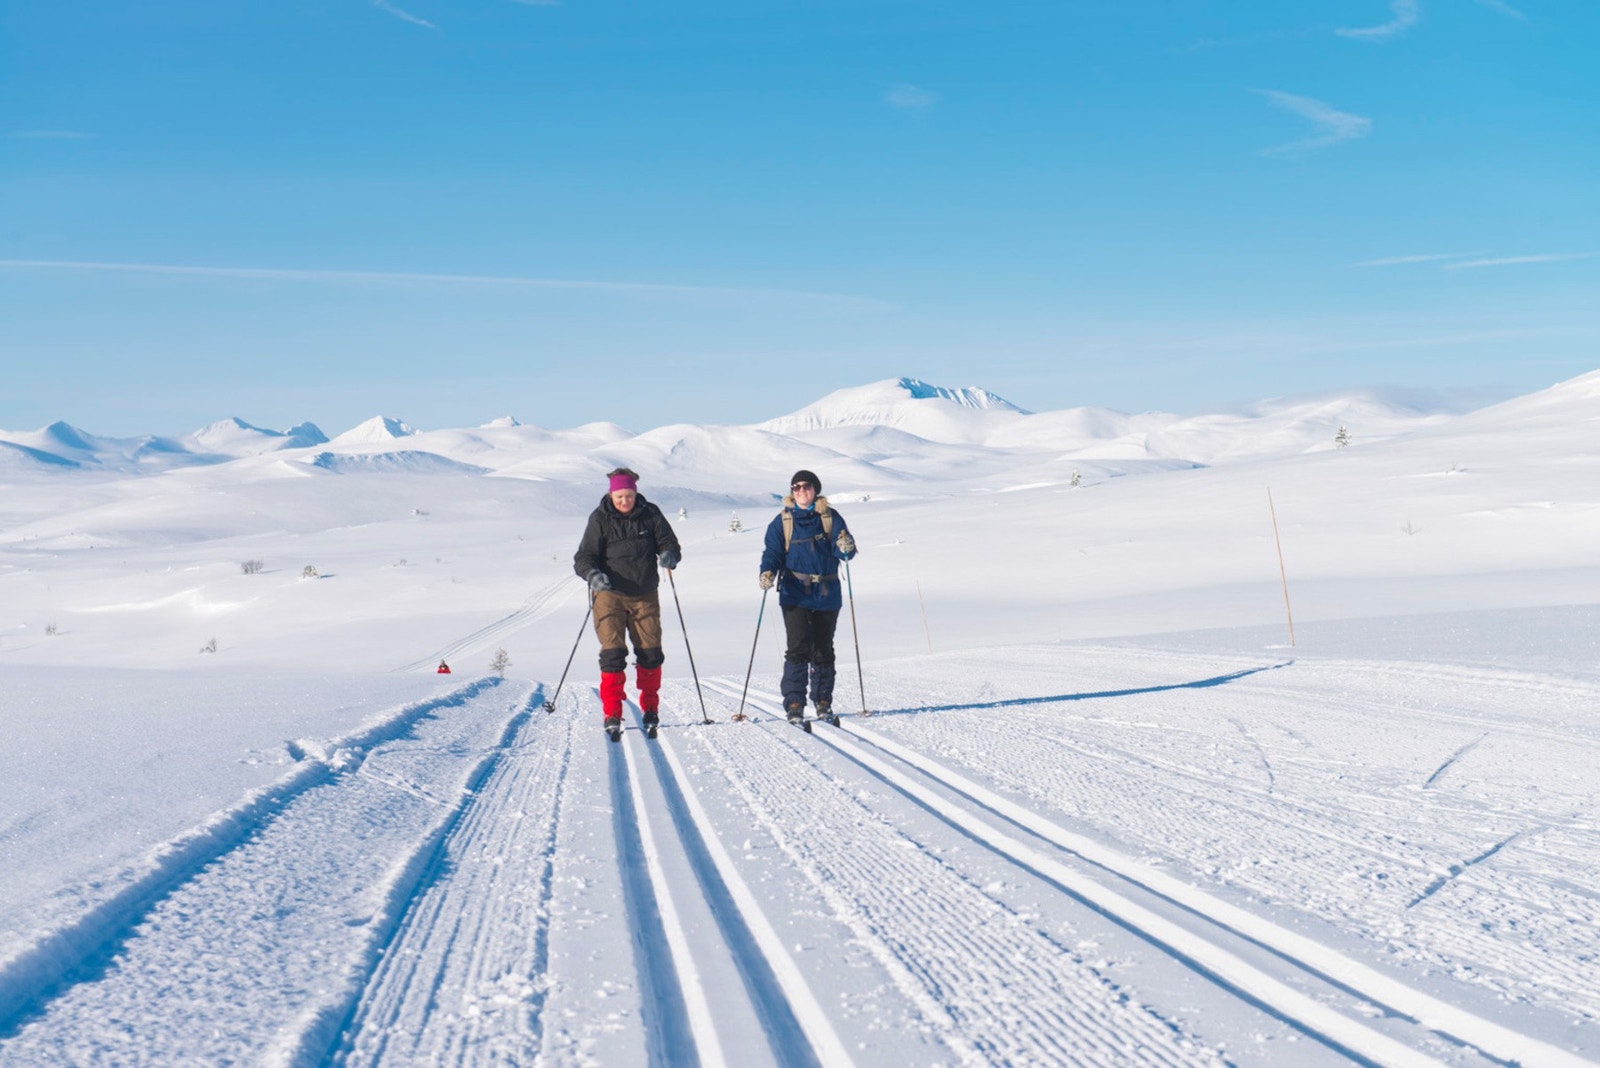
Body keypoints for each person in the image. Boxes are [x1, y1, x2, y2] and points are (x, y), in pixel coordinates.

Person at [573, 467, 682, 739]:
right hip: (608, 595)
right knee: (613, 654)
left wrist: (669, 554)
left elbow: (669, 542)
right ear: (611, 494)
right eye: (620, 496)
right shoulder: (600, 518)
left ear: (635, 493)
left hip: (645, 594)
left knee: (650, 653)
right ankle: (612, 713)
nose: (625, 501)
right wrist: (592, 575)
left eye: (629, 496)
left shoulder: (650, 513)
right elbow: (584, 557)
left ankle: (651, 709)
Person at [759, 469, 857, 724]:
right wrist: (767, 572)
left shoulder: (830, 517)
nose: (801, 490)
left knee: (823, 648)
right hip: (794, 593)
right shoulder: (783, 521)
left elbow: (845, 550)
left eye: (806, 486)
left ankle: (823, 701)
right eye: (796, 487)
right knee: (798, 647)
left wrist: (846, 547)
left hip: (827, 592)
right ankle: (794, 703)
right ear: (792, 492)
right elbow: (772, 552)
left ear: (815, 489)